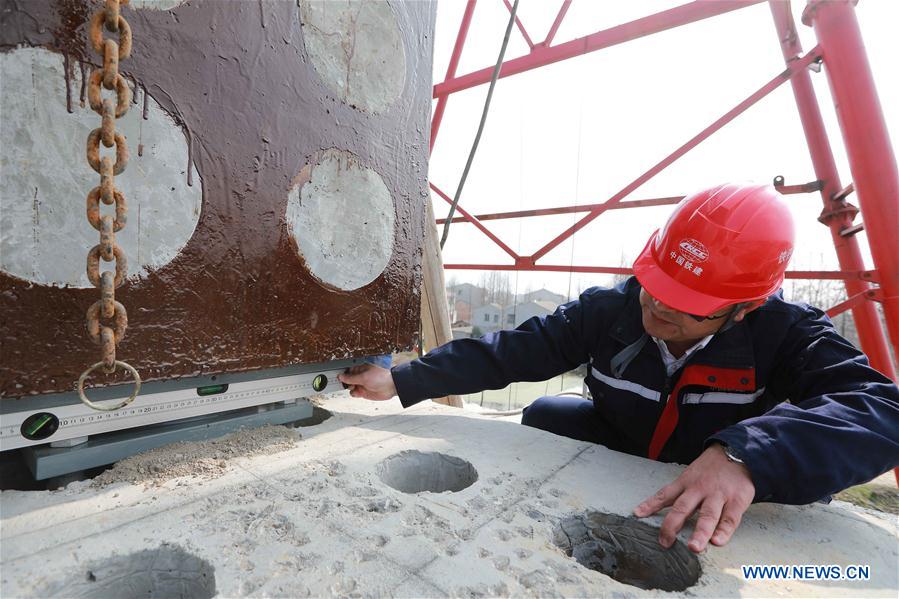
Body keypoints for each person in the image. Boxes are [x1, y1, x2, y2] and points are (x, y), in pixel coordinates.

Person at [338, 183, 899, 554]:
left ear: (744, 308)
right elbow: (515, 349)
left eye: (687, 304)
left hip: (715, 482)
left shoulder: (789, 334)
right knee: (548, 413)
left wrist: (746, 456)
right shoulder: (611, 309)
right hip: (631, 446)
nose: (657, 307)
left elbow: (882, 411)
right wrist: (403, 380)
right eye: (656, 286)